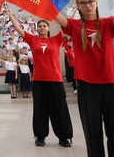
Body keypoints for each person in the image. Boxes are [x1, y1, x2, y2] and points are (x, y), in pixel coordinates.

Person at [55, 0, 114, 157]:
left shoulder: (108, 23)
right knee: (92, 132)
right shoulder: (73, 25)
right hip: (87, 86)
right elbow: (54, 16)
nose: (88, 5)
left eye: (90, 1)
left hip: (112, 84)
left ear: (96, 3)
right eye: (83, 3)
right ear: (78, 6)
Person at [8, 11, 73, 147]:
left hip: (55, 80)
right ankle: (40, 136)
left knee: (59, 109)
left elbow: (67, 25)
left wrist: (72, 12)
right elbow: (18, 28)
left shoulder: (56, 39)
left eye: (44, 26)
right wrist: (10, 14)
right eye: (40, 26)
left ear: (48, 28)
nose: (42, 28)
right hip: (38, 80)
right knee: (40, 109)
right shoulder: (33, 40)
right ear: (37, 29)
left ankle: (64, 137)